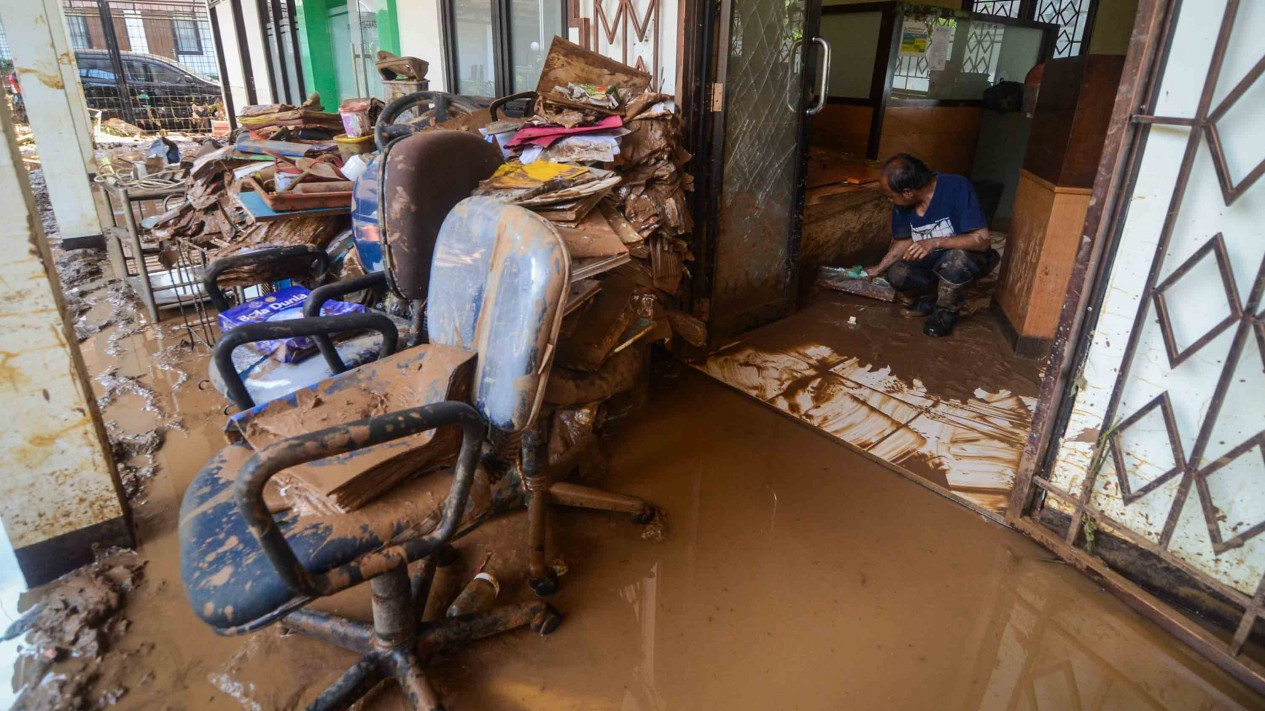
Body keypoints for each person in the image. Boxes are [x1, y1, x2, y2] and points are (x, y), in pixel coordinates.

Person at [866, 153, 999, 337]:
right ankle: (932, 297)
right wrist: (879, 267)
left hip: (970, 257)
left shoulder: (957, 187)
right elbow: (904, 241)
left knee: (956, 260)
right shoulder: (903, 204)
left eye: (891, 196)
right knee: (897, 274)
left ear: (908, 192)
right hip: (934, 260)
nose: (890, 200)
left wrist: (935, 241)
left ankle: (945, 312)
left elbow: (982, 240)